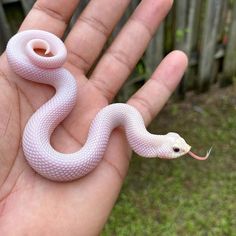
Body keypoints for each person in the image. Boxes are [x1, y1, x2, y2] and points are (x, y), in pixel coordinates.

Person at [0, 0, 187, 235]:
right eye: (177, 149)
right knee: (66, 85)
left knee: (66, 85)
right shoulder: (123, 117)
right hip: (45, 72)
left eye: (177, 149)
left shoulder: (122, 118)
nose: (179, 151)